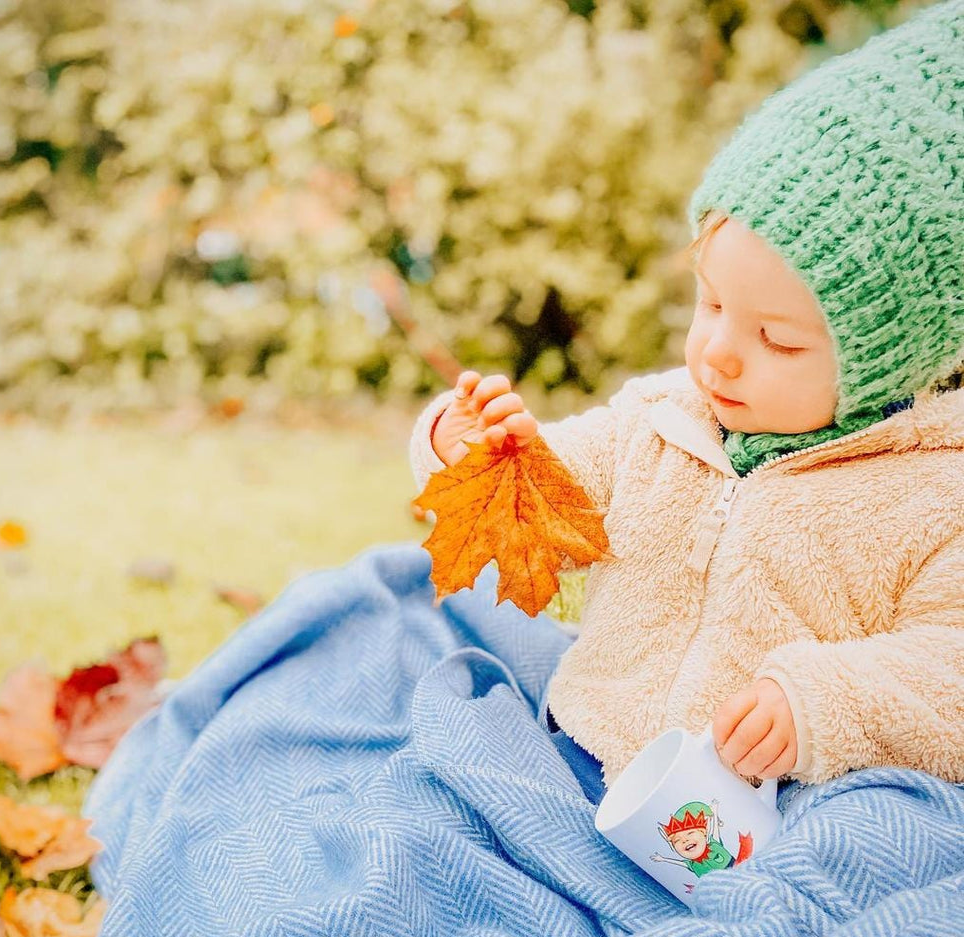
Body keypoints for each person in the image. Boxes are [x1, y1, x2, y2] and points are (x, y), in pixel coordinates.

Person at [408, 0, 964, 795]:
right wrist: (472, 449)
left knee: (893, 840)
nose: (719, 354)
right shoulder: (663, 423)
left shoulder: (933, 495)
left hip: (774, 807)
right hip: (584, 758)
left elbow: (952, 672)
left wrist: (822, 702)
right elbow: (551, 502)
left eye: (777, 339)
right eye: (709, 305)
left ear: (889, 361)